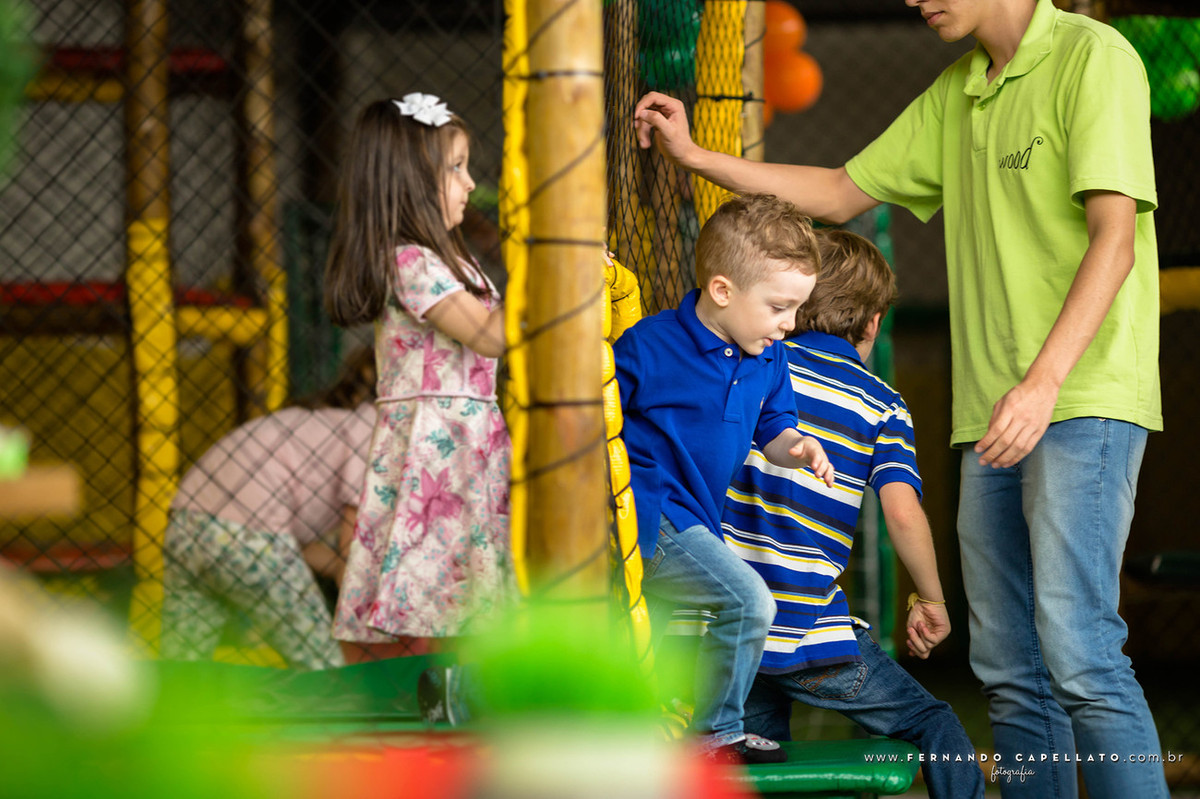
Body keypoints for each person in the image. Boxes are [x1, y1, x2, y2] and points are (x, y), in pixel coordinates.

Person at [633, 2, 1166, 796]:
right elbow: (841, 191)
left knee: (1080, 649)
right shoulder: (958, 91)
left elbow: (1114, 239)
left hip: (1078, 392)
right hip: (989, 410)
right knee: (1009, 666)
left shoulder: (1095, 56)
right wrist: (694, 155)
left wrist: (1043, 382)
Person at [725, 229, 983, 798]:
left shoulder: (751, 362)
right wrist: (932, 598)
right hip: (808, 629)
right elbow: (904, 513)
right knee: (934, 724)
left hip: (730, 630)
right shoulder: (881, 403)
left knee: (760, 769)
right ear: (872, 325)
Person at [615, 193, 836, 765]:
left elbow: (775, 429)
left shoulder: (767, 356)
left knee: (639, 646)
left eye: (796, 309)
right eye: (779, 307)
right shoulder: (649, 344)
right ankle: (716, 735)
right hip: (648, 514)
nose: (789, 325)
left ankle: (462, 694)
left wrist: (799, 447)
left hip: (697, 520)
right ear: (722, 291)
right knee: (748, 602)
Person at [324, 94, 512, 647]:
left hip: (468, 436)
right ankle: (415, 690)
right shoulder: (410, 260)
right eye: (455, 168)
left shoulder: (454, 259)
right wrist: (549, 265)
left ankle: (450, 694)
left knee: (458, 576)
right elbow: (489, 335)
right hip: (435, 442)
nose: (470, 183)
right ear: (408, 183)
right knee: (430, 575)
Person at [161, 347, 377, 671]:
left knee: (182, 664)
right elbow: (353, 540)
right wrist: (365, 612)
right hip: (250, 534)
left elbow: (300, 547)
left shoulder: (315, 423)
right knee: (323, 667)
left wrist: (334, 566)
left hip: (186, 522)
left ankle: (169, 711)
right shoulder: (371, 426)